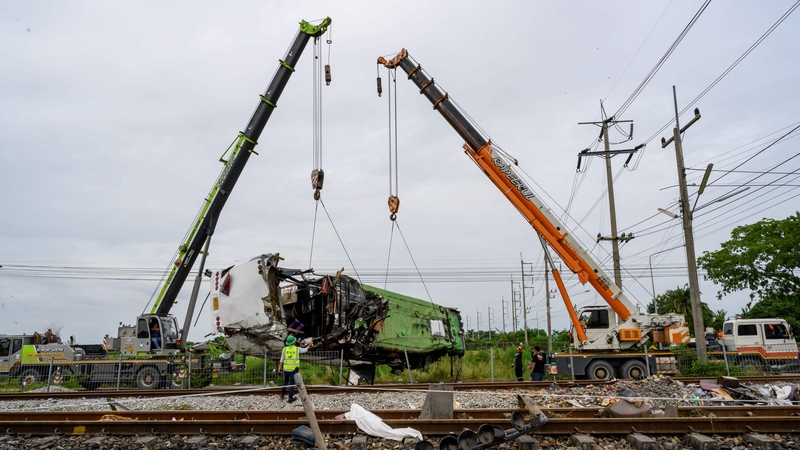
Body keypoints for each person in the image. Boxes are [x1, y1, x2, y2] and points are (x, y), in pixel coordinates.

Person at [278, 335, 308, 402]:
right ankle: (290, 398)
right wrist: (310, 345)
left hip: (286, 369)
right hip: (293, 369)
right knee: (292, 383)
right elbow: (305, 350)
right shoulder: (297, 349)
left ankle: (282, 395)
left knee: (285, 381)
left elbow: (281, 359)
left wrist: (279, 367)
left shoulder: (284, 349)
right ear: (294, 342)